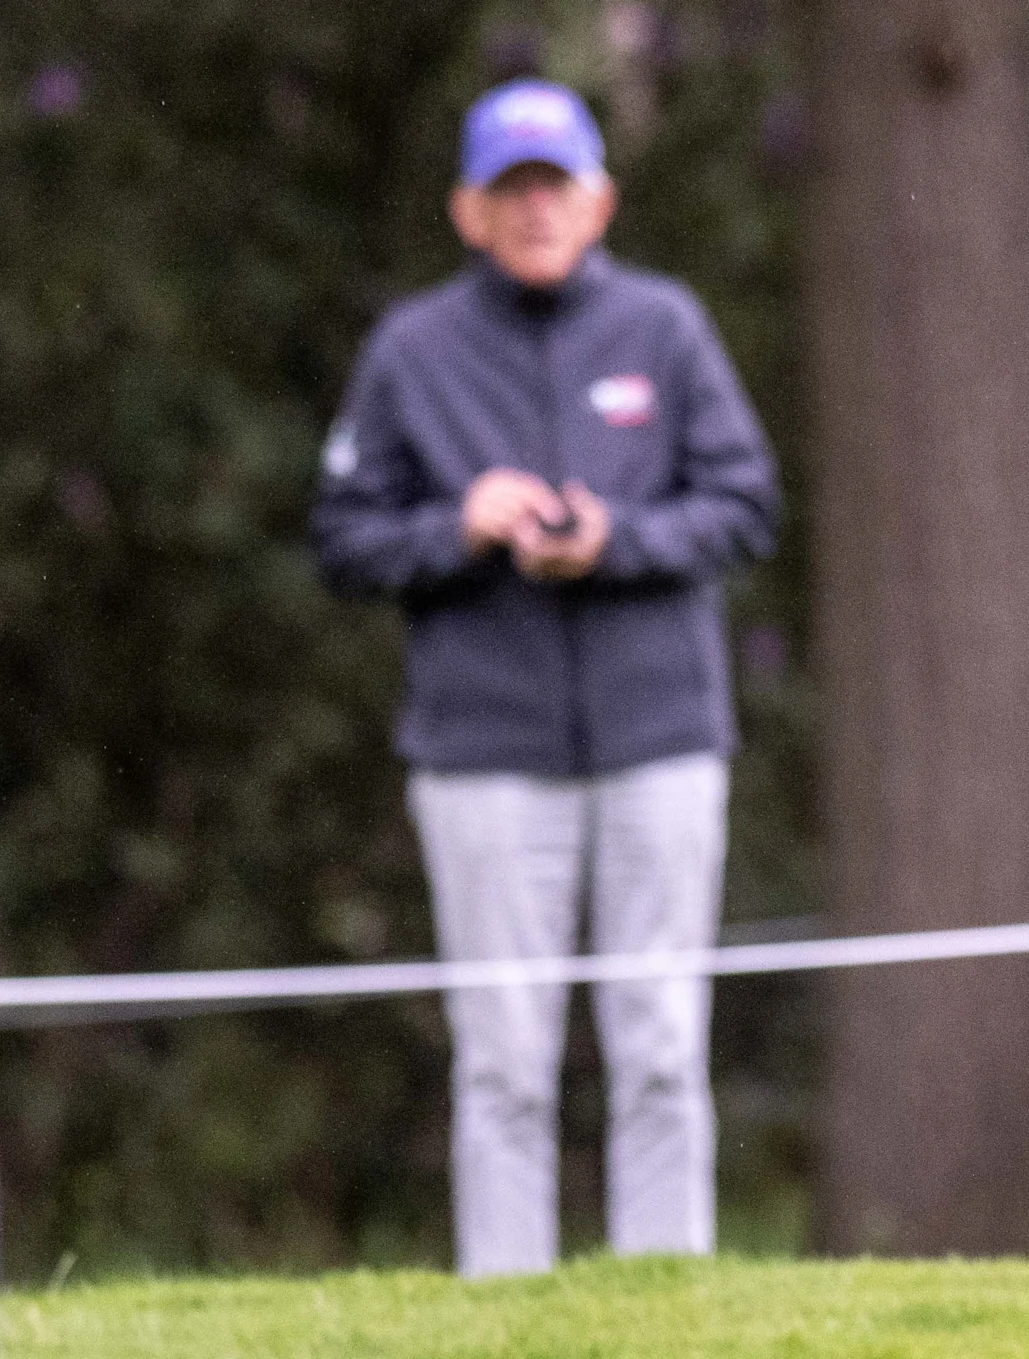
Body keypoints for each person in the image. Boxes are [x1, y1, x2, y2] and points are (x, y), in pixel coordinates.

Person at [314, 78, 780, 1277]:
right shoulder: (412, 351)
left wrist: (614, 541)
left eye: (556, 188)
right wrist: (457, 529)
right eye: (512, 192)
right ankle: (506, 1318)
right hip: (483, 755)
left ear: (600, 200)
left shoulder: (667, 330)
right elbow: (345, 539)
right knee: (504, 1059)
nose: (536, 212)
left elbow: (743, 506)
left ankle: (663, 1301)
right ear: (469, 210)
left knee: (663, 1042)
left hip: (659, 740)